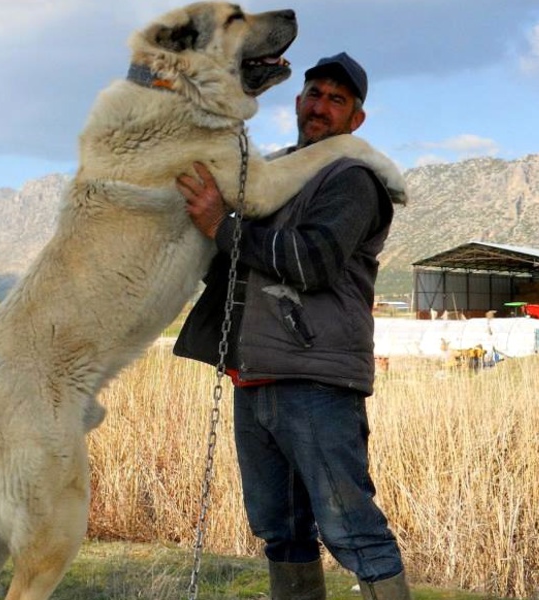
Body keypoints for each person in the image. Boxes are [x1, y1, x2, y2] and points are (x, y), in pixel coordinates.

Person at [173, 52, 410, 600]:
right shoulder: (275, 172)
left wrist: (223, 226)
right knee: (282, 534)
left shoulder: (353, 179)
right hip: (254, 379)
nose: (320, 106)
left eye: (337, 99)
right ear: (298, 101)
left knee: (353, 531)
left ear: (356, 120)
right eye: (314, 93)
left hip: (316, 382)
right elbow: (224, 259)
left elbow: (313, 260)